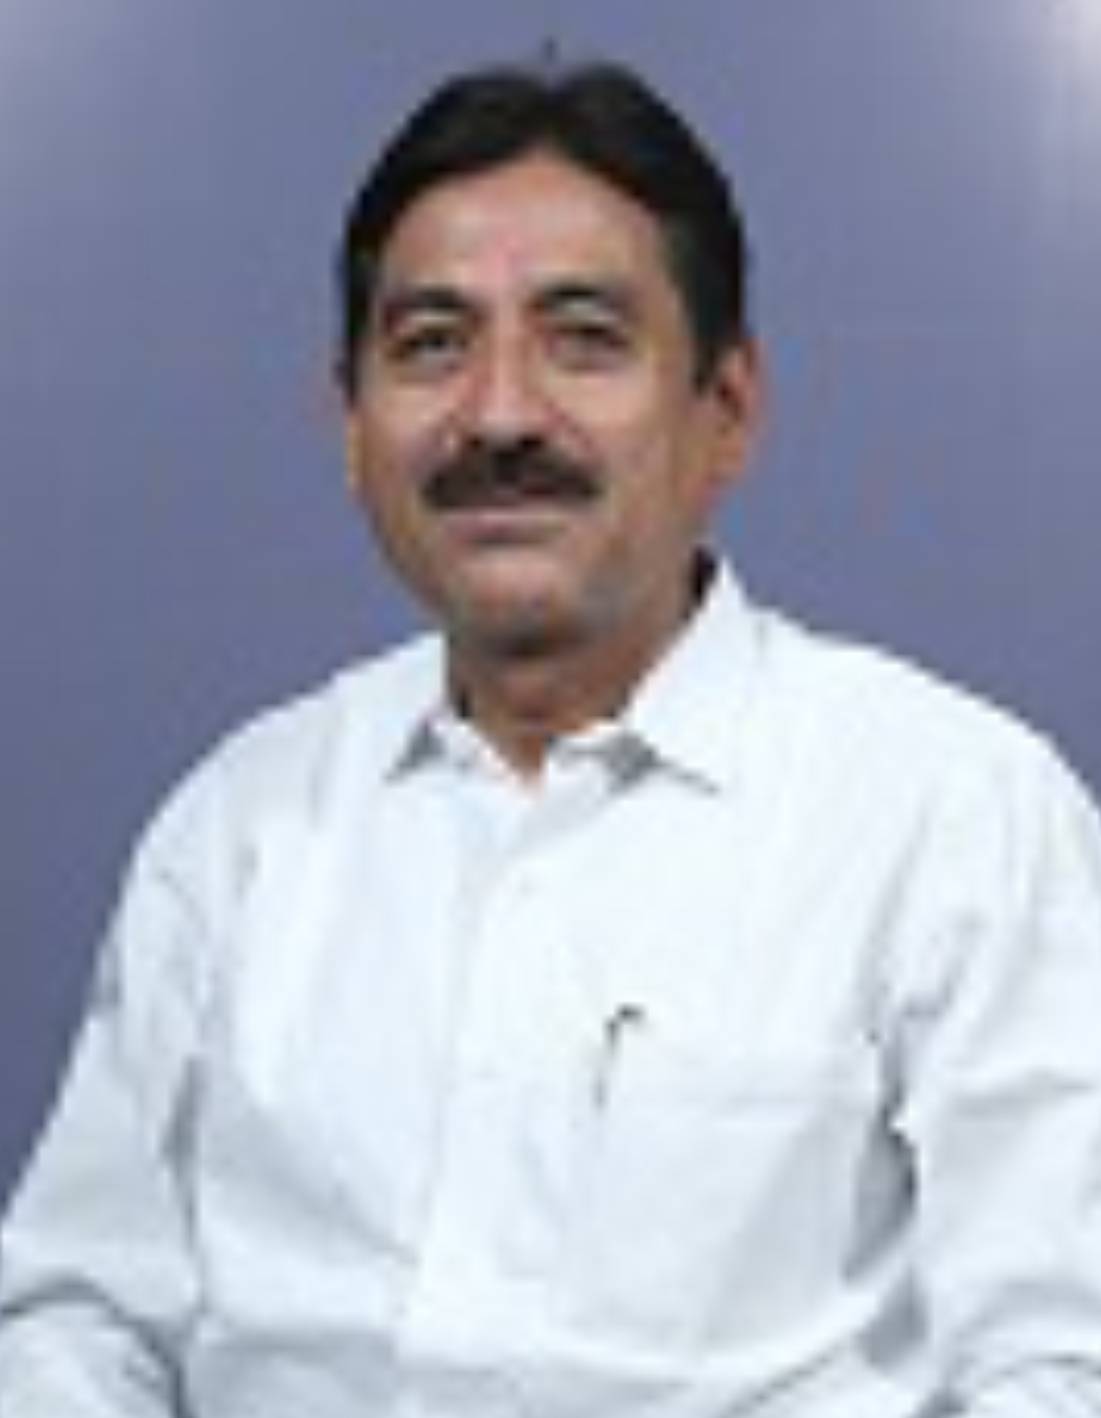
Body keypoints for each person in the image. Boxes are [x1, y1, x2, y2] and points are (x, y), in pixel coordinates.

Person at [2, 55, 1101, 1418]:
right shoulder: (239, 826)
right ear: (349, 426)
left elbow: (1063, 1366)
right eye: (430, 345)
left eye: (583, 338)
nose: (501, 414)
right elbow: (78, 1313)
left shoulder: (955, 815)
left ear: (726, 410)